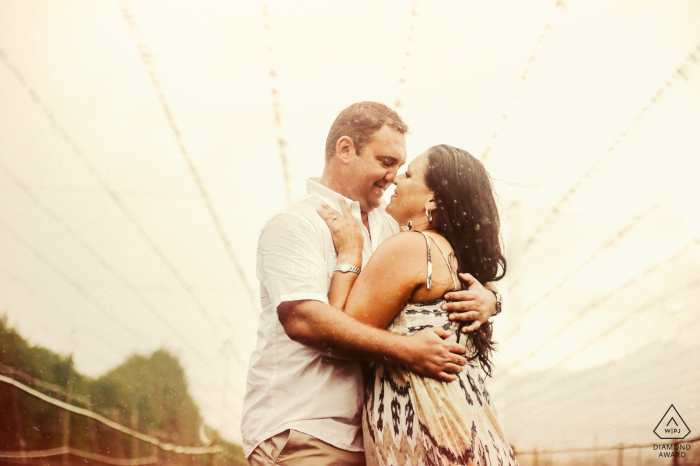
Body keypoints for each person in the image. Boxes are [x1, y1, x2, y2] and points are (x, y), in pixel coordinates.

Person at [241, 102, 500, 466]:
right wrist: (407, 350)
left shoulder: (393, 226)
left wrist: (490, 297)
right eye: (385, 162)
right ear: (346, 150)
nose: (393, 177)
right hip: (307, 427)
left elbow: (437, 279)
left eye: (401, 168)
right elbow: (305, 320)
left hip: (377, 439)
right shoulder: (297, 224)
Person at [316, 144, 517, 466]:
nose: (396, 180)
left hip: (423, 422)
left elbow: (339, 333)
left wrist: (349, 255)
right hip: (465, 420)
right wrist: (495, 300)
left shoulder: (411, 247)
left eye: (409, 174)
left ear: (433, 200)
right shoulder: (452, 254)